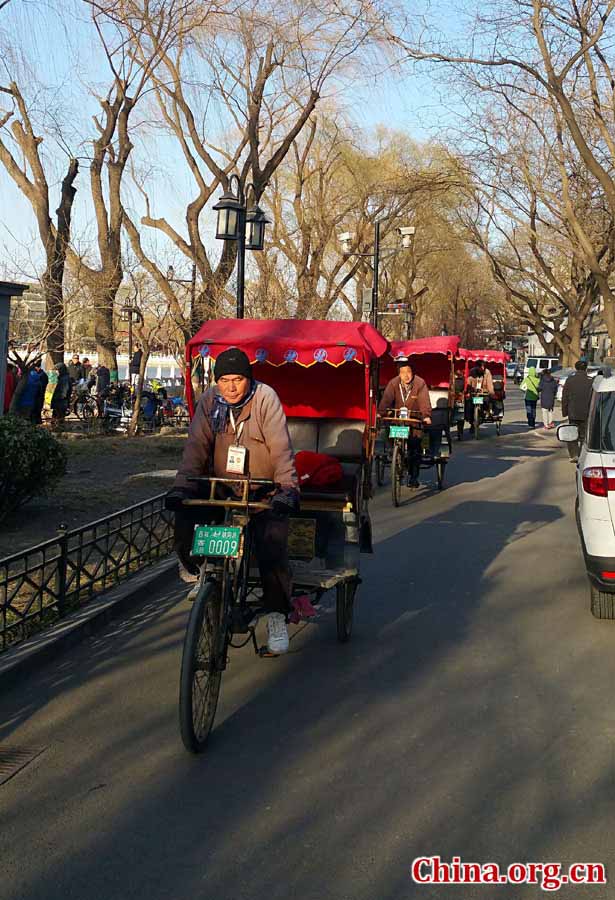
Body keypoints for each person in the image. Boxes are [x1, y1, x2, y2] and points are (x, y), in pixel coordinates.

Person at [168, 348, 299, 655]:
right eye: (224, 379)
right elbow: (196, 447)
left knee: (272, 543)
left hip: (262, 487)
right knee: (186, 516)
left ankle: (278, 616)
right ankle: (204, 571)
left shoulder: (265, 398)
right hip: (221, 485)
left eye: (237, 379)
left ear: (248, 379)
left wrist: (287, 488)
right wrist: (181, 487)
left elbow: (281, 447)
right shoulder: (210, 401)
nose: (230, 386)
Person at [378, 357, 432, 488]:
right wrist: (381, 412)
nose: (406, 375)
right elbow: (386, 399)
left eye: (408, 372)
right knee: (386, 434)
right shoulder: (393, 383)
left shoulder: (420, 383)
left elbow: (424, 401)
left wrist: (426, 416)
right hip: (397, 420)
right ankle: (395, 453)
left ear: (412, 372)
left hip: (414, 420)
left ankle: (414, 477)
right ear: (398, 373)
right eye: (402, 372)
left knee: (415, 448)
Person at [562, 359, 594, 461]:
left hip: (573, 412)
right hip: (587, 412)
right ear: (586, 368)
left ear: (576, 368)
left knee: (572, 433)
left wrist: (564, 411)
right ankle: (583, 454)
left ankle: (574, 454)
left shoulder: (570, 380)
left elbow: (565, 397)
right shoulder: (591, 380)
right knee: (585, 435)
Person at [31, 358, 48, 424]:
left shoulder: (41, 375)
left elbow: (43, 385)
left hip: (38, 395)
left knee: (37, 410)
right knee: (37, 410)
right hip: (38, 395)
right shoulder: (43, 374)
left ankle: (37, 421)